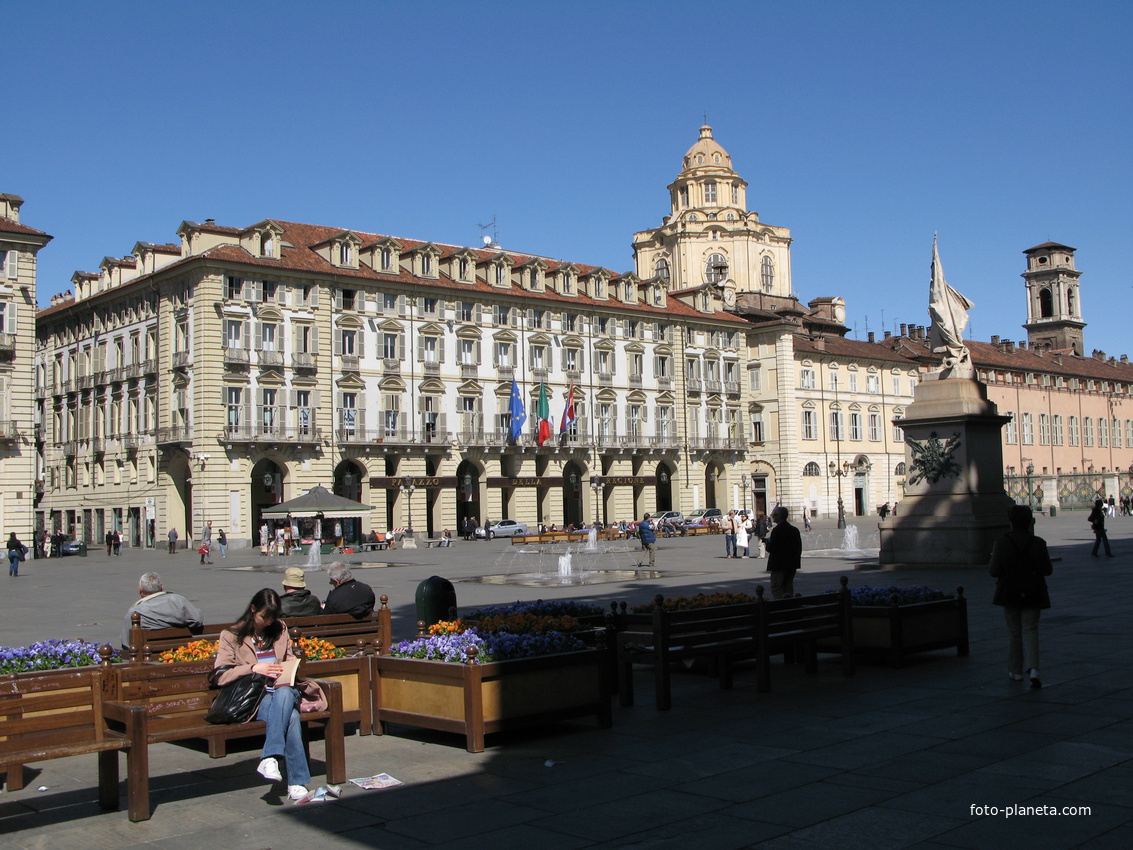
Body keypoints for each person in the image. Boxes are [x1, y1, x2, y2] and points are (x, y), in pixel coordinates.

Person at [214, 588, 327, 803]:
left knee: (285, 692)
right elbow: (221, 675)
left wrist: (289, 669)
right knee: (291, 717)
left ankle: (270, 757)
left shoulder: (280, 629)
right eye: (264, 617)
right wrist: (254, 668)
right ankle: (296, 783)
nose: (268, 622)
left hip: (282, 689)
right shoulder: (231, 635)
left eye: (273, 617)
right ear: (253, 609)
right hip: (255, 697)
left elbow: (289, 658)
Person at [989, 505, 1053, 689]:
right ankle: (1034, 670)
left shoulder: (1002, 542)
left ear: (1011, 522)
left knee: (1014, 633)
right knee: (1030, 630)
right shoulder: (1039, 543)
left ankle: (1016, 671)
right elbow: (1048, 570)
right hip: (1033, 591)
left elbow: (993, 571)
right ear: (1029, 521)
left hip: (1010, 592)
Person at [120, 571, 203, 649]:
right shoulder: (177, 600)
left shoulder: (135, 612)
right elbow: (197, 620)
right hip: (181, 651)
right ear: (162, 587)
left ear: (140, 589)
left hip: (151, 654)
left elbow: (126, 643)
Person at [764, 506, 801, 599]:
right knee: (788, 587)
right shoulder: (794, 530)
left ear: (779, 516)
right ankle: (790, 607)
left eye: (774, 515)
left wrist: (767, 544)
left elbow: (773, 548)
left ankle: (781, 607)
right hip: (792, 564)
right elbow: (799, 547)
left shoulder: (777, 530)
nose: (772, 516)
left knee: (776, 587)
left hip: (779, 565)